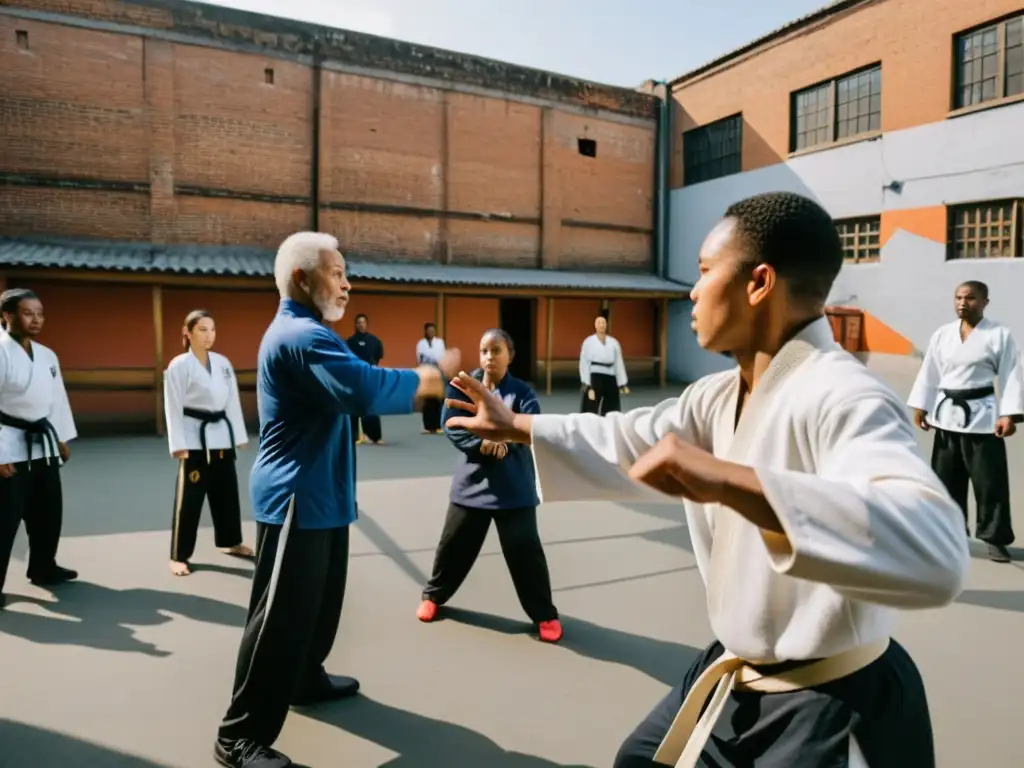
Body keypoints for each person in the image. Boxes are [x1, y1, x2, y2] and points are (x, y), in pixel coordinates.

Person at [445, 192, 968, 768]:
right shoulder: (716, 395)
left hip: (832, 693)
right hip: (735, 665)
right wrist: (518, 424)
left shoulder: (847, 395)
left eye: (703, 272)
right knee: (640, 759)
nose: (693, 292)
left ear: (759, 282)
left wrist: (732, 482)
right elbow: (630, 438)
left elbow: (936, 550)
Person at [214, 232, 461, 768]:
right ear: (302, 279)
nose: (348, 283)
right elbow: (363, 389)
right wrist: (430, 378)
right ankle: (238, 735)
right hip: (296, 497)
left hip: (324, 495)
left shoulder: (314, 334)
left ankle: (304, 677)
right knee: (279, 618)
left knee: (321, 604)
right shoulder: (301, 336)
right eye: (337, 271)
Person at [416, 329, 561, 642]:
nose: (489, 357)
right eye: (484, 351)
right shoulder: (465, 386)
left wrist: (505, 440)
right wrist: (480, 444)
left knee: (526, 553)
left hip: (515, 490)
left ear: (510, 355)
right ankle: (433, 596)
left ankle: (545, 615)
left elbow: (531, 425)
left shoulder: (522, 392)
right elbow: (450, 423)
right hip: (471, 489)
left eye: (496, 350)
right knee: (452, 548)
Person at [908, 280, 1023, 564]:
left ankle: (994, 537)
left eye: (970, 298)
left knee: (989, 482)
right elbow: (929, 371)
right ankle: (949, 534)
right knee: (946, 481)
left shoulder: (999, 335)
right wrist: (922, 405)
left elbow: (1011, 374)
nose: (962, 303)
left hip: (983, 418)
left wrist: (1008, 414)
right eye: (958, 297)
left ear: (985, 302)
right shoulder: (943, 334)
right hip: (947, 416)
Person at [0, 288, 78, 608]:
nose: (36, 319)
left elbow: (56, 398)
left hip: (42, 444)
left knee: (48, 512)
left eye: (40, 313)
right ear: (7, 315)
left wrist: (60, 437)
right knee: (5, 520)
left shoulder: (47, 355)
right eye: (28, 313)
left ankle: (43, 567)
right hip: (8, 443)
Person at [163, 309, 254, 577]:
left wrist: (238, 435)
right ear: (187, 333)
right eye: (202, 329)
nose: (209, 335)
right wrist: (177, 443)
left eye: (212, 329)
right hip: (194, 438)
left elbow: (231, 401)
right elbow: (172, 406)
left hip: (221, 435)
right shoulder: (179, 365)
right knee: (190, 498)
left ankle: (230, 541)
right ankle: (178, 555)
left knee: (226, 492)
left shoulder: (223, 363)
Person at [346, 313, 386, 445]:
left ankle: (375, 436)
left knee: (371, 407)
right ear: (355, 325)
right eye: (358, 322)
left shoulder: (374, 341)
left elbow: (379, 357)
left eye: (363, 322)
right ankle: (354, 436)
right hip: (355, 378)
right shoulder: (349, 342)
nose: (361, 324)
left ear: (367, 324)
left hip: (370, 377)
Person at [579, 315, 629, 415]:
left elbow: (618, 362)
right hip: (594, 375)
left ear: (606, 325)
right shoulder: (588, 342)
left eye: (603, 323)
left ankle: (609, 424)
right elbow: (584, 362)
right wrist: (586, 383)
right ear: (595, 325)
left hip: (610, 375)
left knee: (612, 406)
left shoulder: (613, 342)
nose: (601, 325)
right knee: (591, 404)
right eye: (599, 323)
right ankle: (589, 426)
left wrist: (622, 383)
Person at [416, 321, 446, 433]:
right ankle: (427, 426)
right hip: (426, 373)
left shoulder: (440, 342)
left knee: (438, 399)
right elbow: (420, 358)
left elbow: (440, 357)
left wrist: (430, 357)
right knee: (427, 399)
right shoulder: (421, 343)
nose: (431, 332)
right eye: (429, 330)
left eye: (433, 330)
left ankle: (438, 426)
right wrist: (431, 357)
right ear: (425, 331)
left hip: (437, 372)